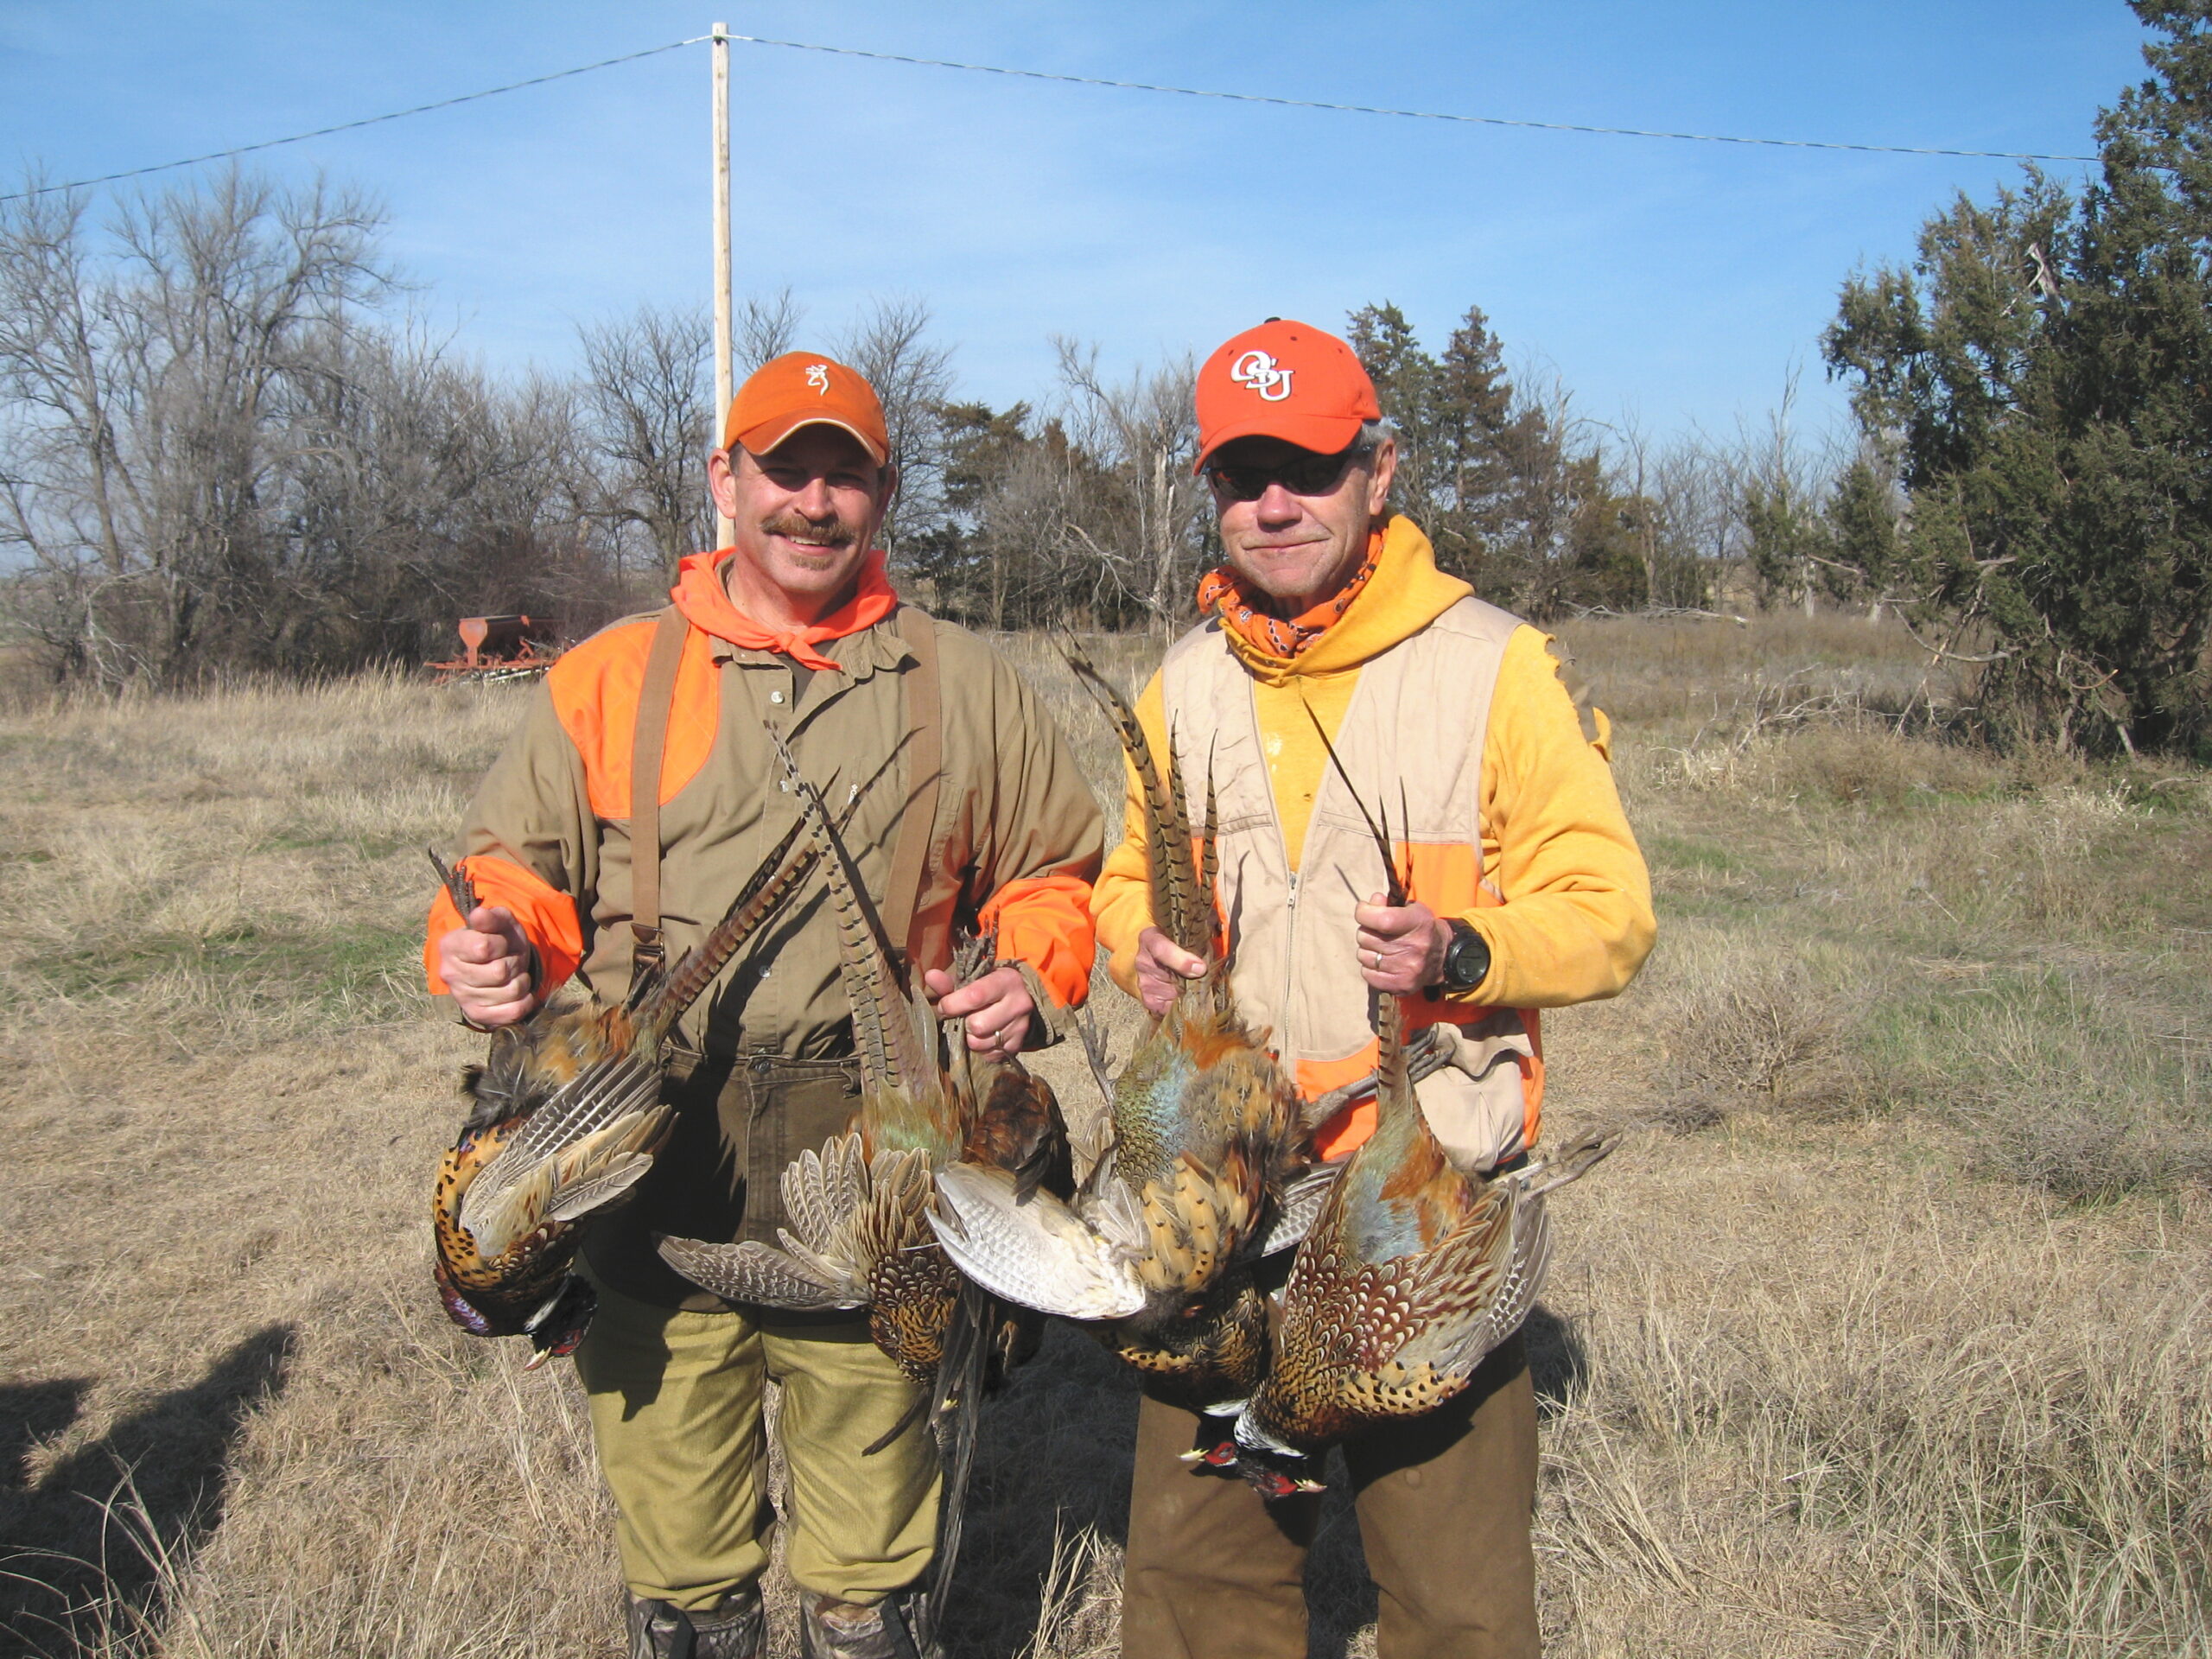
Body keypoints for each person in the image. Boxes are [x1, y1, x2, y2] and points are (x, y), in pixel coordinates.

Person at [424, 352, 1103, 1659]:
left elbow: (1058, 870)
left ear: (885, 493)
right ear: (723, 482)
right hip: (645, 1149)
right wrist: (485, 941)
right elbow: (511, 868)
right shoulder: (615, 676)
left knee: (872, 1585)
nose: (811, 501)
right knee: (684, 1581)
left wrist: (1028, 965)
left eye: (843, 473)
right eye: (783, 469)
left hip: (878, 1159)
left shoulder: (960, 685)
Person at [1091, 319, 1656, 1659]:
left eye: (1308, 466)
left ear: (1379, 470)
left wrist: (1465, 952)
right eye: (1241, 475)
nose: (1274, 504)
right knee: (1197, 1596)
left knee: (1456, 1605)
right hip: (1221, 1210)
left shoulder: (1494, 667)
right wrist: (1139, 947)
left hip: (1422, 1212)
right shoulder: (1180, 685)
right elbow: (1121, 878)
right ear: (1209, 490)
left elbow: (1611, 914)